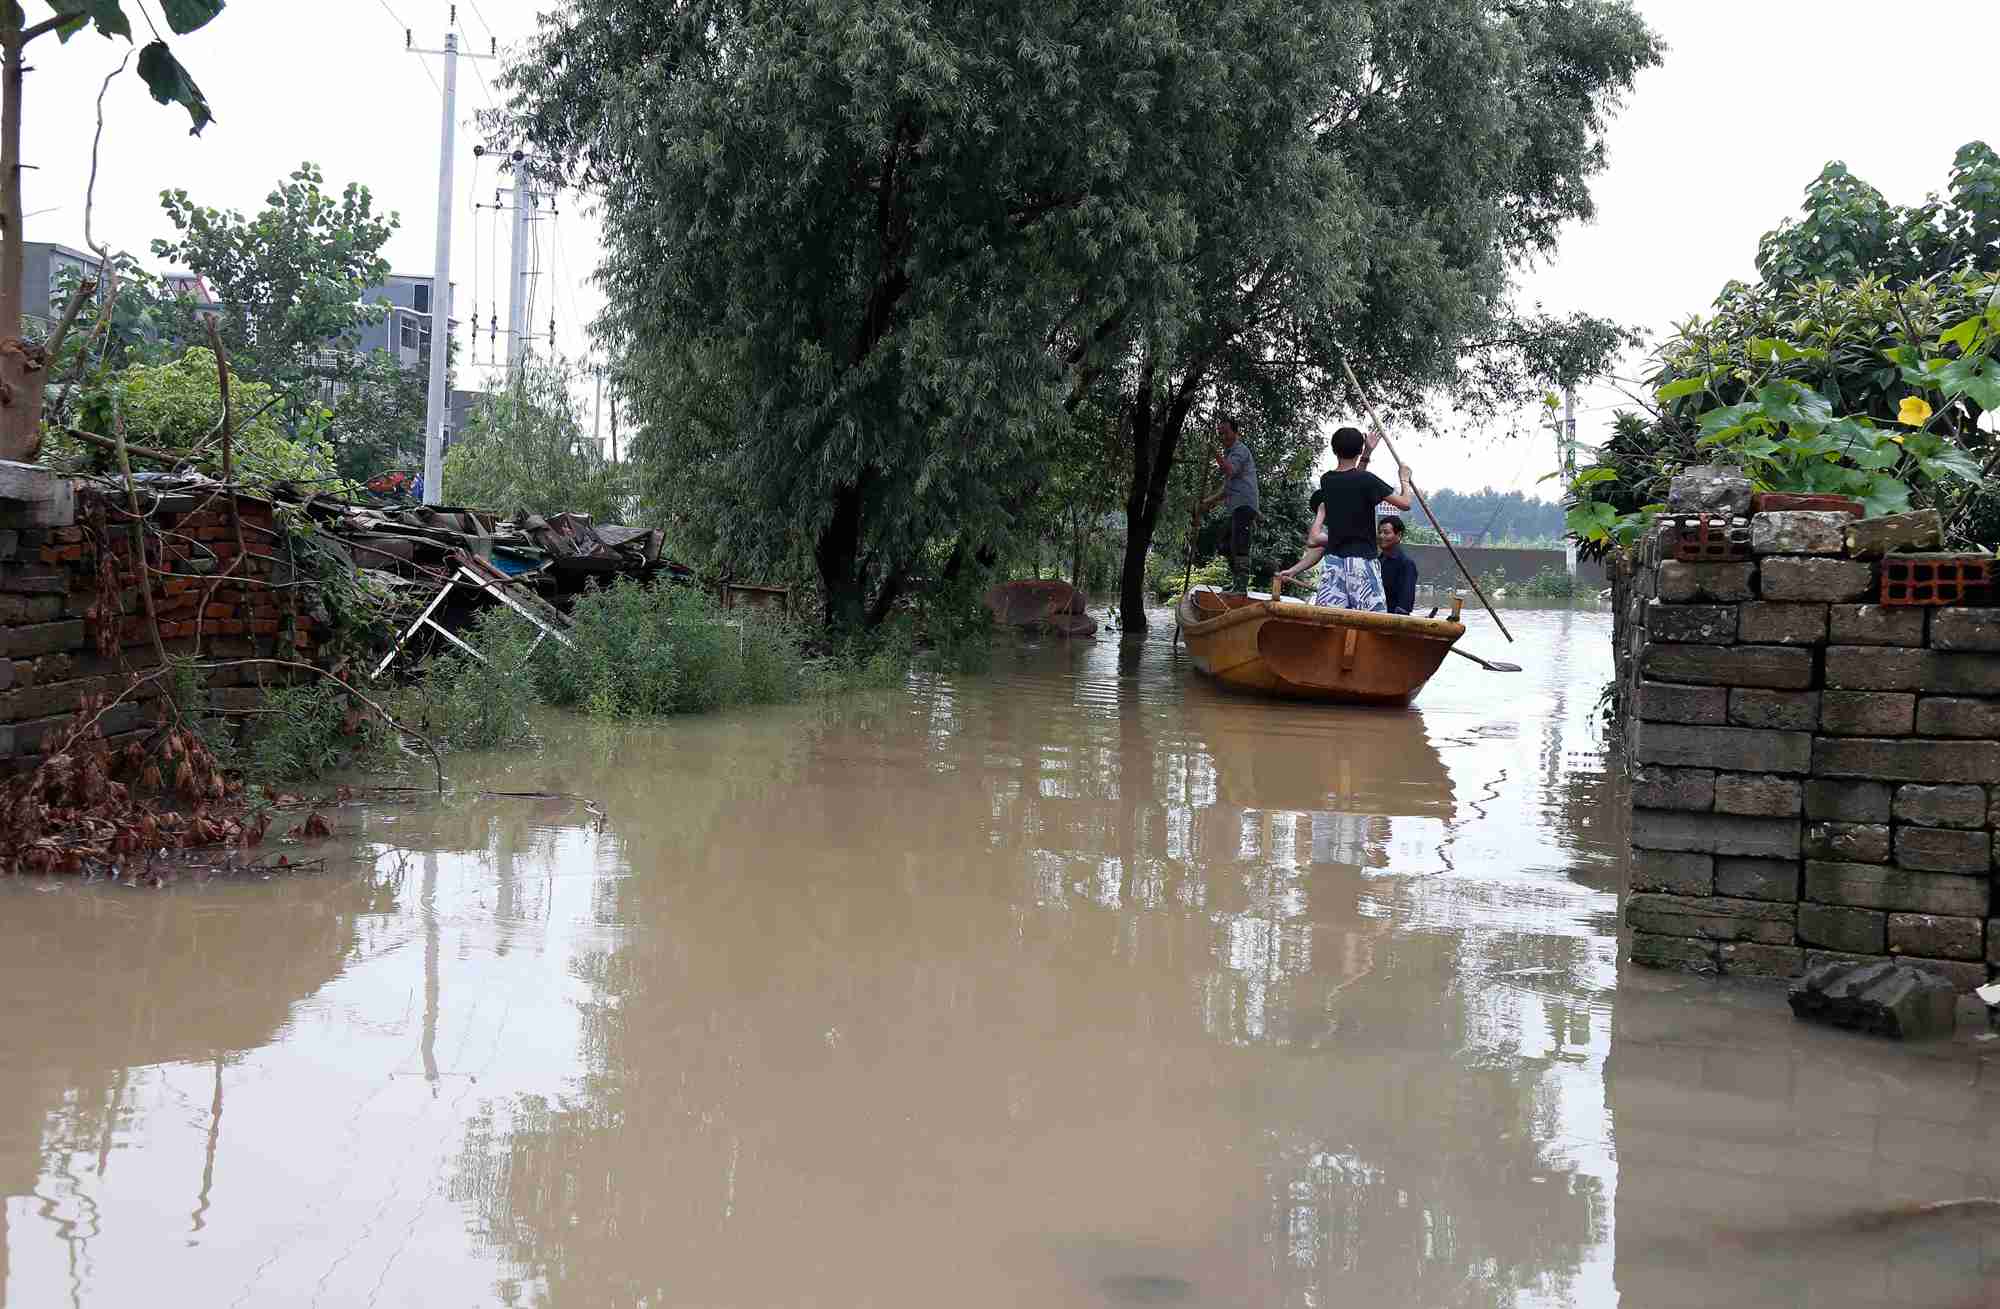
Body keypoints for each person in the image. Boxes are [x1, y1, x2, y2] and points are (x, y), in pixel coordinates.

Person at [1274, 426, 1413, 611]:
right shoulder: (1367, 480)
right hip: (1362, 564)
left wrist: (1366, 453)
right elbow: (1405, 503)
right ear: (1358, 450)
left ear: (1333, 450)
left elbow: (1353, 481)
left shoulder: (1327, 480)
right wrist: (1404, 478)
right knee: (1372, 621)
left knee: (1330, 620)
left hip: (1334, 564)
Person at [1197, 413, 1258, 594]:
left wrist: (1214, 453)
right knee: (1224, 544)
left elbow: (1229, 470)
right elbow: (1227, 489)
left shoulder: (1239, 450)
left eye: (1225, 433)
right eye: (1220, 434)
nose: (1222, 437)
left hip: (1245, 506)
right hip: (1236, 507)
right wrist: (1207, 502)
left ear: (1235, 432)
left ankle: (1241, 587)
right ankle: (1236, 582)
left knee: (1239, 544)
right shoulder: (1229, 453)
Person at [1376, 514, 1418, 615]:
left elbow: (1405, 603)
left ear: (1398, 536)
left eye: (1386, 533)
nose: (1381, 536)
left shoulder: (1406, 564)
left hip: (1392, 622)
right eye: (1380, 532)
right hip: (1375, 616)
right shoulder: (1376, 562)